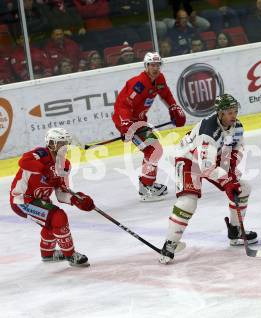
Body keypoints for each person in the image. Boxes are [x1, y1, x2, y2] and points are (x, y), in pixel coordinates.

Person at [158, 94, 257, 264]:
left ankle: (235, 231)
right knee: (189, 201)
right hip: (188, 158)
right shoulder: (208, 132)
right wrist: (226, 181)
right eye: (229, 112)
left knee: (243, 188)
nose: (233, 115)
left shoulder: (237, 126)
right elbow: (206, 168)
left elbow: (238, 148)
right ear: (220, 113)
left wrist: (231, 167)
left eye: (235, 111)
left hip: (211, 158)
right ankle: (170, 244)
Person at [9, 128, 94, 267]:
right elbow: (23, 161)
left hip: (40, 201)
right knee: (58, 217)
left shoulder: (64, 165)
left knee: (51, 224)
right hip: (22, 200)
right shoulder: (40, 154)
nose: (64, 146)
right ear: (51, 144)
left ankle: (48, 254)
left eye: (66, 143)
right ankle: (70, 255)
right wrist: (44, 169)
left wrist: (76, 200)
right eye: (61, 143)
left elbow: (61, 192)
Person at [112, 52, 186, 201]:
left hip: (139, 121)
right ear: (146, 66)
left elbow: (166, 94)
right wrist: (125, 124)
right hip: (127, 122)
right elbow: (124, 105)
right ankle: (146, 188)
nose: (155, 68)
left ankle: (147, 184)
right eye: (152, 65)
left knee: (153, 150)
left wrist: (173, 107)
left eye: (158, 65)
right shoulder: (138, 84)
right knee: (153, 150)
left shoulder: (159, 79)